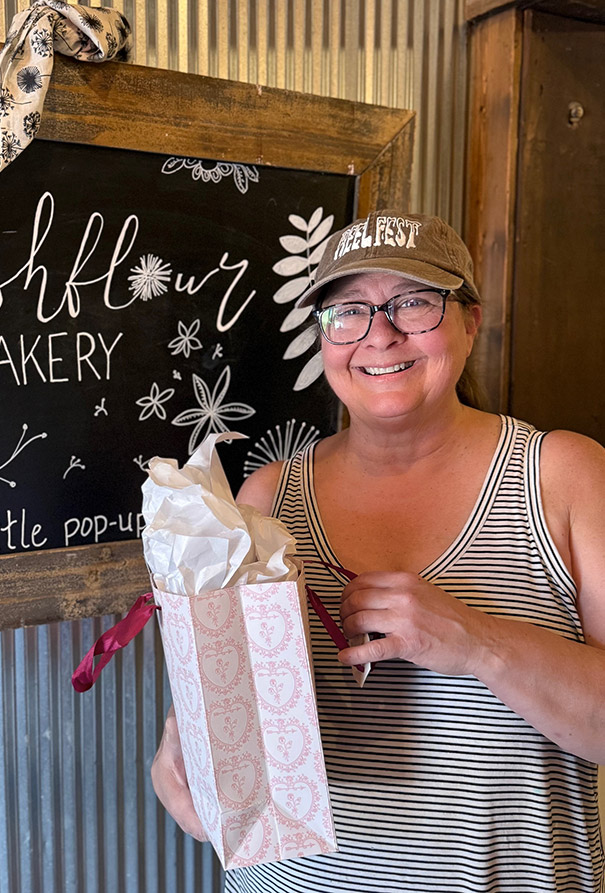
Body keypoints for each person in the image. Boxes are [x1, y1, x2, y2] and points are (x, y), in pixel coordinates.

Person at [151, 209, 605, 892]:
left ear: (469, 319)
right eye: (347, 311)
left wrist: (478, 641)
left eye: (413, 302)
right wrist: (184, 740)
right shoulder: (269, 494)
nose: (379, 334)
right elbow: (229, 683)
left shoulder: (562, 474)